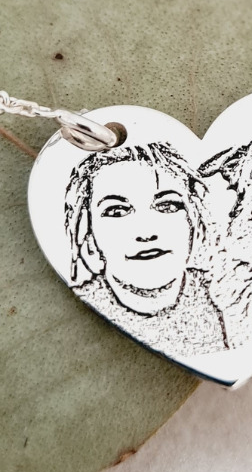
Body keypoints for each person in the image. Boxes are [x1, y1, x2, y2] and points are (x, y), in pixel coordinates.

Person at [64, 142, 227, 355]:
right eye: (116, 211)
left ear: (193, 218)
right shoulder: (77, 312)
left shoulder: (230, 295)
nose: (146, 232)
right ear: (88, 230)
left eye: (167, 206)